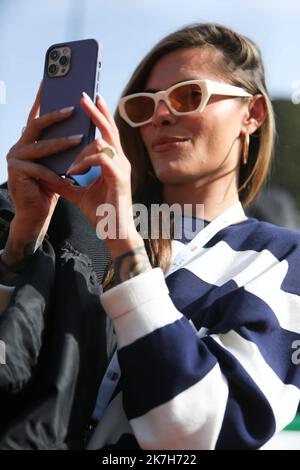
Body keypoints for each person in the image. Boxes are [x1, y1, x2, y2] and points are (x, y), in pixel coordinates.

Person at [1, 22, 300, 450]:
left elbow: (202, 435)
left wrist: (123, 241)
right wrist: (20, 246)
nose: (160, 115)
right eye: (144, 106)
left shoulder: (284, 261)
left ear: (251, 114)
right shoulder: (79, 232)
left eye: (188, 95)